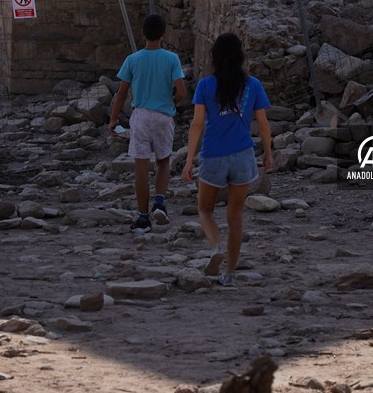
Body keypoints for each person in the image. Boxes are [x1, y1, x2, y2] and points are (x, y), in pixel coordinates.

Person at [181, 33, 273, 287]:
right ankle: (230, 273)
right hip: (243, 155)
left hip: (214, 155)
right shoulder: (253, 84)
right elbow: (263, 124)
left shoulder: (206, 85)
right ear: (241, 56)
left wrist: (189, 159)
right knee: (236, 217)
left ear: (215, 57)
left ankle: (215, 248)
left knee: (205, 209)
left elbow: (197, 124)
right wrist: (268, 153)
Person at [109, 14, 187, 234]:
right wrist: (173, 102)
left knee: (141, 169)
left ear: (143, 34)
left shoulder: (132, 59)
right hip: (163, 116)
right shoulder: (171, 58)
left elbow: (122, 93)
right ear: (163, 34)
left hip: (141, 116)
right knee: (163, 162)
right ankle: (160, 202)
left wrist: (114, 119)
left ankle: (143, 219)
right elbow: (181, 91)